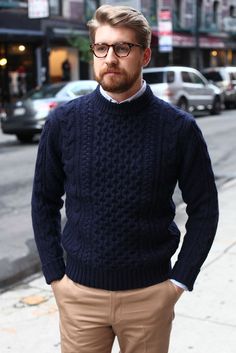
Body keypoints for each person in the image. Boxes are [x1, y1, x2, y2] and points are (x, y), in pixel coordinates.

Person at [31, 5, 219, 353]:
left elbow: (205, 210)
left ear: (145, 54)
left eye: (122, 48)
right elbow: (44, 201)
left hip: (149, 297)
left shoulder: (178, 129)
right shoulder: (64, 123)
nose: (110, 58)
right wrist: (55, 276)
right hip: (80, 297)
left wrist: (179, 281)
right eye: (101, 48)